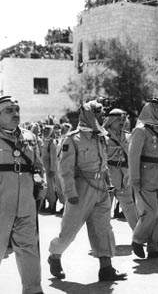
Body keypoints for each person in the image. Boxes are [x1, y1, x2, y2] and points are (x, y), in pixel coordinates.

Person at [48, 100, 126, 281]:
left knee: (103, 228)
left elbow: (103, 164)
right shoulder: (72, 138)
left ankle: (106, 269)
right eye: (97, 112)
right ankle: (55, 255)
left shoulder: (100, 136)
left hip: (101, 189)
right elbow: (65, 170)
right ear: (88, 114)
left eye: (101, 113)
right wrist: (70, 193)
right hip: (81, 189)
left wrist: (108, 183)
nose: (101, 116)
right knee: (69, 231)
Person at [0, 96, 45, 294]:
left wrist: (41, 184)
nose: (16, 114)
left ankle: (33, 290)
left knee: (29, 249)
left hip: (26, 204)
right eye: (9, 111)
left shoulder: (29, 137)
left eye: (17, 109)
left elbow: (38, 166)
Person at [129, 98, 158, 259]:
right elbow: (133, 156)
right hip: (146, 174)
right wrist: (135, 179)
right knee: (151, 212)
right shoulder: (140, 130)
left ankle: (155, 247)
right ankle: (138, 239)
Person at [104, 108, 138, 230]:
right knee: (106, 206)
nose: (121, 122)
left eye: (123, 120)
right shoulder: (103, 137)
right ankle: (104, 237)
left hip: (125, 173)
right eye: (118, 120)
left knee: (129, 204)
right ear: (111, 120)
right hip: (109, 173)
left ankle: (139, 235)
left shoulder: (128, 136)